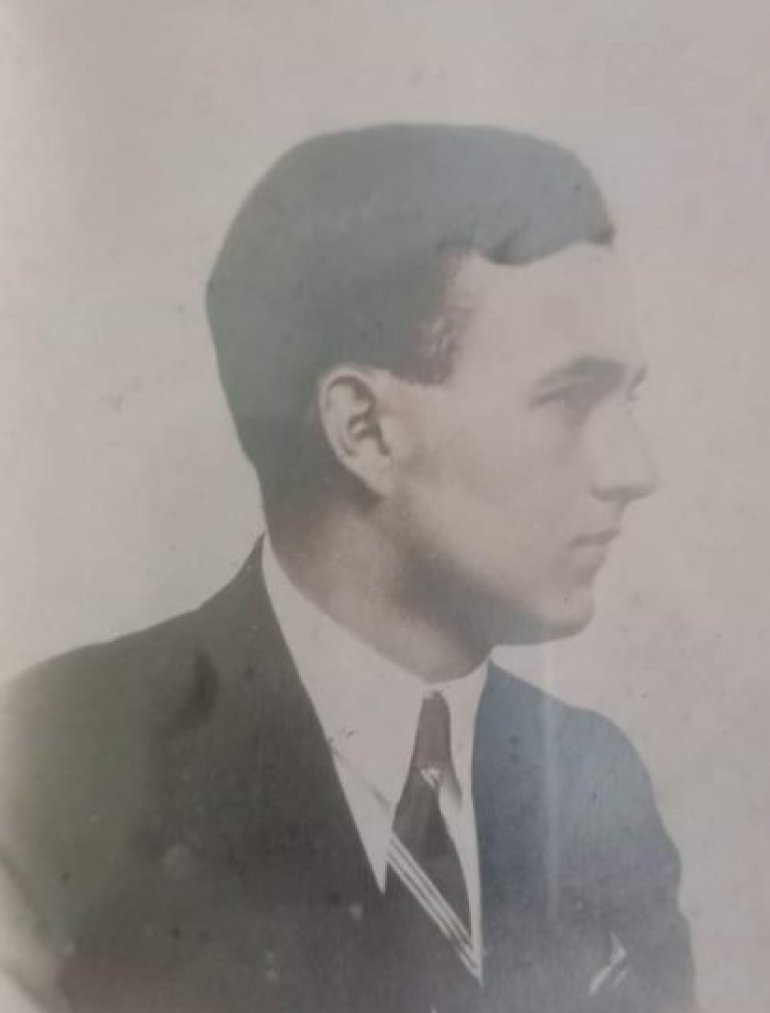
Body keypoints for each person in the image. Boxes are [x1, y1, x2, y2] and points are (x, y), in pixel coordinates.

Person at [0, 124, 698, 1013]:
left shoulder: (595, 777)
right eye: (568, 399)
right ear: (364, 429)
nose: (636, 468)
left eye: (628, 399)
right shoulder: (56, 765)